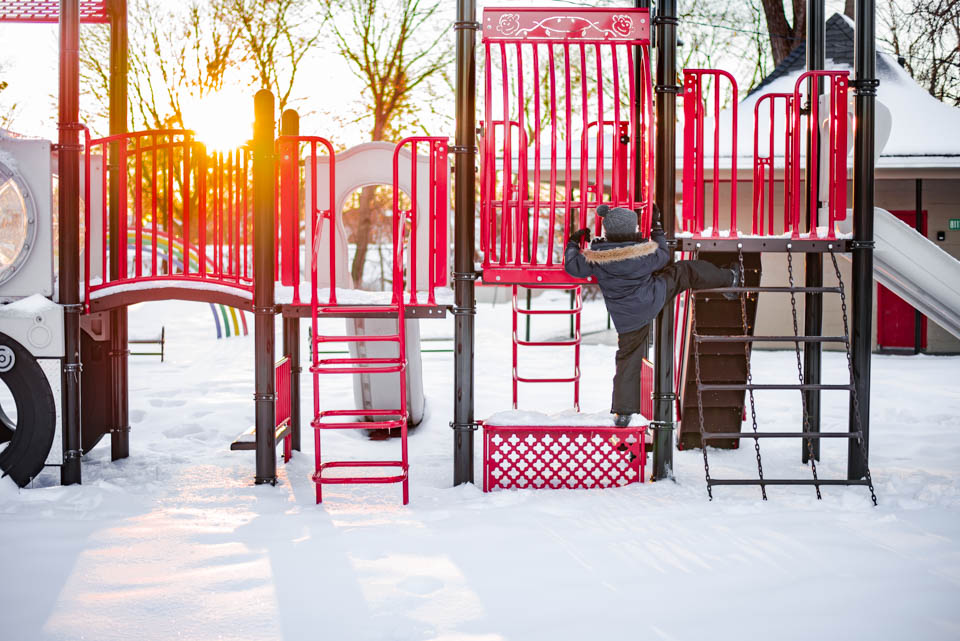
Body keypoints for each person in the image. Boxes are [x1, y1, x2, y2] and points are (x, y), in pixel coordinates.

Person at [563, 204, 738, 427]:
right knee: (684, 271)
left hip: (626, 319)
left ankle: (624, 412)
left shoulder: (596, 258)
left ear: (607, 232)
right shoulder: (644, 253)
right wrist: (656, 227)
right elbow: (664, 255)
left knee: (628, 358)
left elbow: (572, 266)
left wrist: (573, 242)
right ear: (633, 228)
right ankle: (729, 279)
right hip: (652, 297)